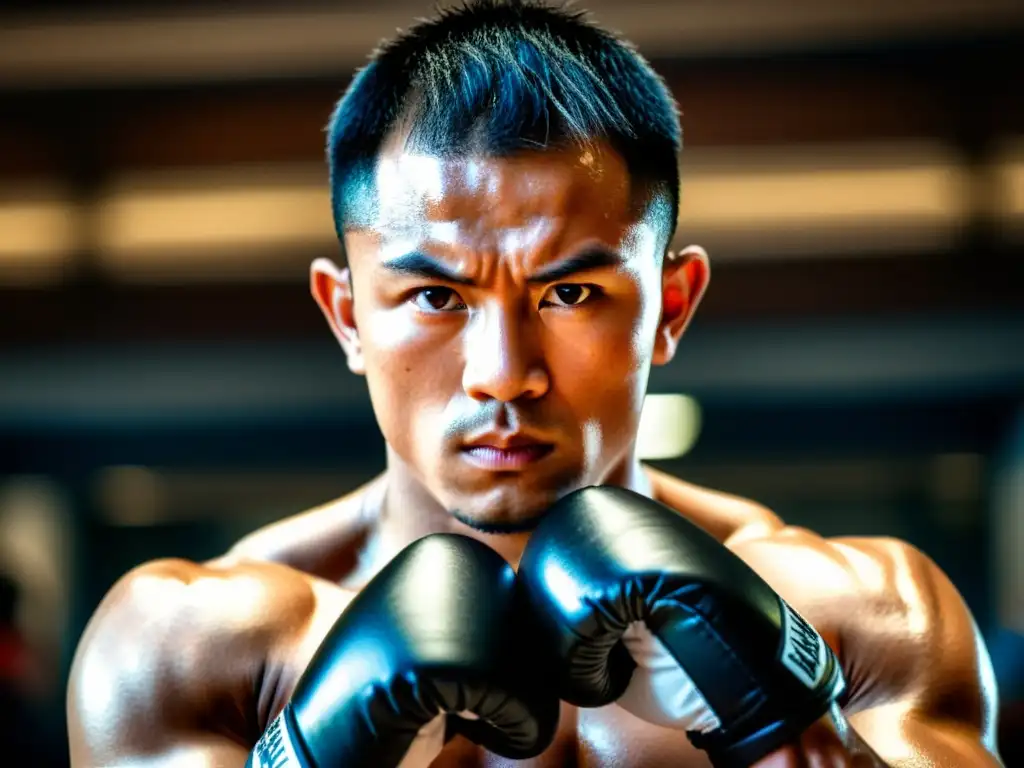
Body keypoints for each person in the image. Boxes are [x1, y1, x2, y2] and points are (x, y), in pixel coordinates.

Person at [66, 2, 1002, 766]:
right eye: (436, 294)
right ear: (348, 315)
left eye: (571, 292)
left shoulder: (862, 616)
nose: (503, 373)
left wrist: (794, 728)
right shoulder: (194, 648)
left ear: (671, 306)